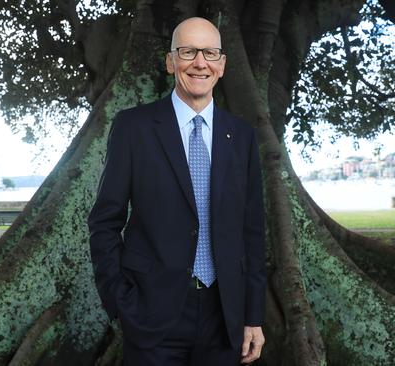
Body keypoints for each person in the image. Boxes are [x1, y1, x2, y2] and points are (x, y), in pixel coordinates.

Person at [87, 17, 266, 365]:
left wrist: (252, 315)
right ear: (171, 62)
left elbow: (252, 230)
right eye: (188, 51)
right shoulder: (133, 128)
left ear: (222, 65)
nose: (200, 62)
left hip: (224, 315)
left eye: (210, 53)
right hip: (152, 314)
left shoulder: (241, 135)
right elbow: (104, 221)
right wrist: (120, 301)